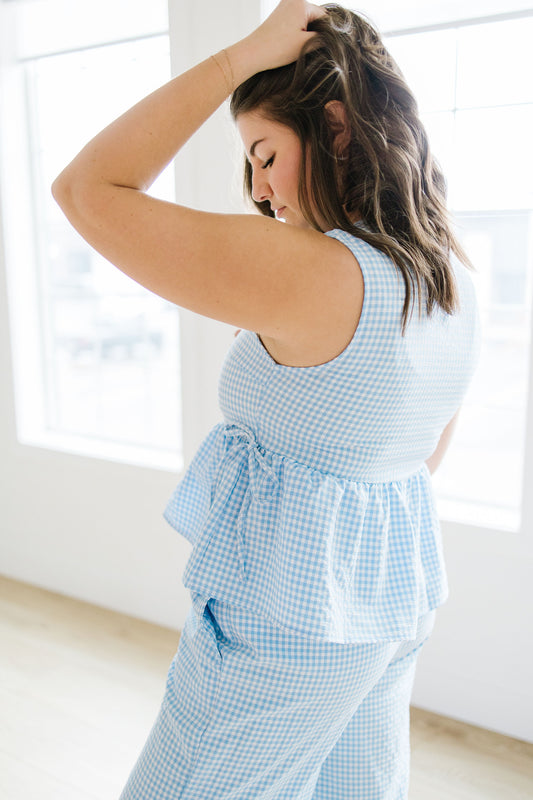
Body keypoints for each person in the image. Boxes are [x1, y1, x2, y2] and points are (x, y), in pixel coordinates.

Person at [52, 1, 481, 797]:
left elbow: (86, 187)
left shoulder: (316, 270)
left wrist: (238, 58)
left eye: (264, 154)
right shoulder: (447, 273)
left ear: (335, 127)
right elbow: (420, 454)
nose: (257, 189)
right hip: (388, 609)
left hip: (287, 628)